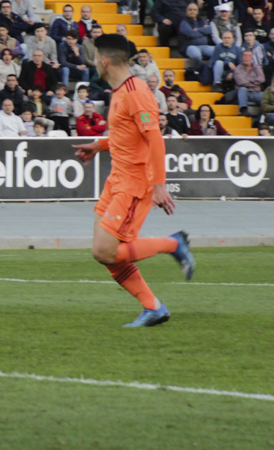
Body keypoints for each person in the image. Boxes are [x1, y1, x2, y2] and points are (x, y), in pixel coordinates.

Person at [71, 34, 193, 328]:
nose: (94, 64)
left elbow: (155, 138)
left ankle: (172, 244)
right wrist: (98, 146)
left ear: (104, 60)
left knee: (104, 251)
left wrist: (159, 185)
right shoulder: (121, 91)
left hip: (134, 184)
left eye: (96, 58)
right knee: (106, 255)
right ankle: (153, 307)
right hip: (117, 179)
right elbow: (126, 135)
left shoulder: (136, 91)